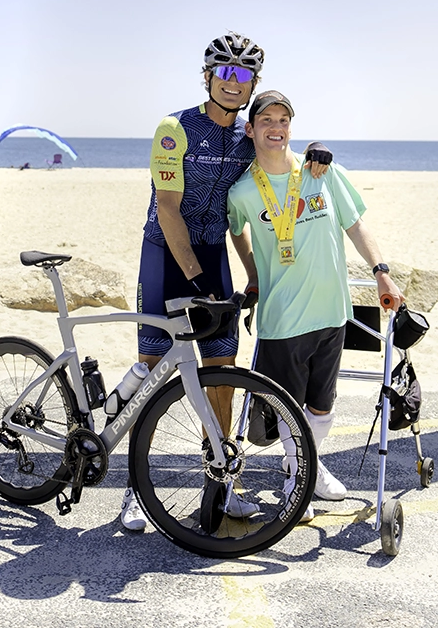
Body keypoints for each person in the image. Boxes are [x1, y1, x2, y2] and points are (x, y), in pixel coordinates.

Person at [121, 34, 331, 532]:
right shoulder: (176, 128)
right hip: (167, 257)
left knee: (220, 371)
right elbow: (168, 209)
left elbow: (280, 161)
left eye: (244, 76)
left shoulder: (245, 135)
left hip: (213, 256)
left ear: (252, 83)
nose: (233, 83)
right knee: (153, 368)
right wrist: (195, 278)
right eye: (225, 72)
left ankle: (219, 484)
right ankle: (133, 488)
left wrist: (319, 154)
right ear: (209, 75)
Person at [227, 91, 404, 522]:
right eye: (266, 119)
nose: (276, 126)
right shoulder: (243, 191)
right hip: (282, 317)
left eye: (283, 119)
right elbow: (236, 231)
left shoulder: (323, 173)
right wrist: (253, 272)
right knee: (287, 406)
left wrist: (381, 271)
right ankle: (298, 478)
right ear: (250, 129)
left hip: (332, 311)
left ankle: (303, 465)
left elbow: (356, 225)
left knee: (323, 406)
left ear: (291, 128)